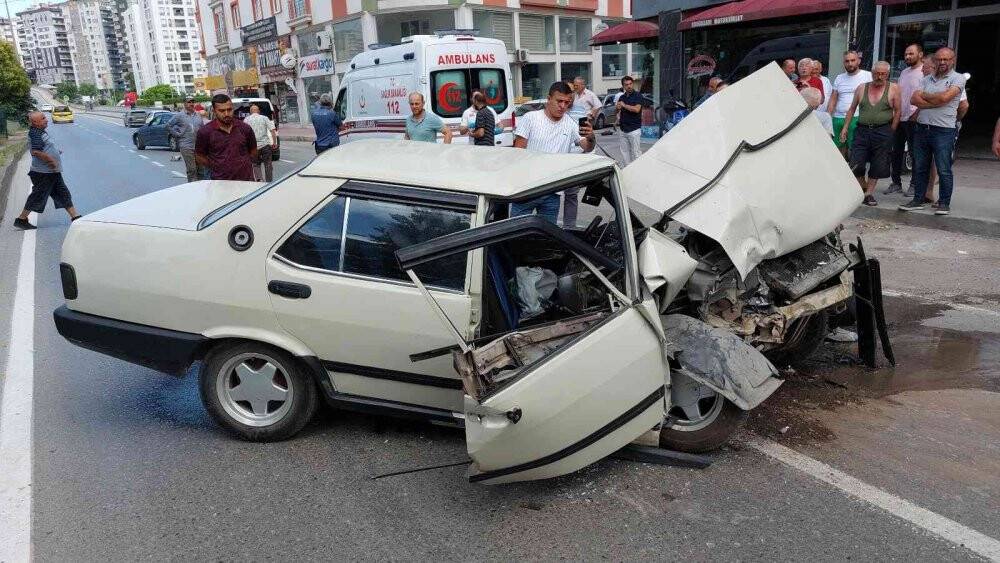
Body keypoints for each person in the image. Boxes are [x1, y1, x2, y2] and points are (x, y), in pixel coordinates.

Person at [512, 81, 595, 224]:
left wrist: (591, 136)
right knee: (516, 235)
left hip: (553, 192)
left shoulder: (569, 123)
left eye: (567, 102)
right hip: (527, 191)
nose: (563, 106)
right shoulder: (531, 118)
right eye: (559, 101)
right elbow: (518, 153)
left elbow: (587, 147)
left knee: (547, 240)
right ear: (549, 99)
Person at [899, 47, 965, 216]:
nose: (942, 62)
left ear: (953, 60)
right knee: (920, 167)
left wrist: (927, 97)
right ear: (934, 61)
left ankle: (944, 203)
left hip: (944, 130)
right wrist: (938, 101)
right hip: (922, 128)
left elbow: (945, 98)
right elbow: (915, 99)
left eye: (946, 59)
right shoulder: (926, 79)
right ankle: (918, 199)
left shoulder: (958, 79)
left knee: (943, 168)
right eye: (939, 59)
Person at [840, 61, 900, 206]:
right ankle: (864, 187)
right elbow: (852, 109)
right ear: (872, 73)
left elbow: (898, 111)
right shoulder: (862, 88)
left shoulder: (894, 88)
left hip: (882, 130)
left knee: (878, 164)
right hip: (862, 130)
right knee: (856, 163)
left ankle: (868, 194)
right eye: (877, 73)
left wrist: (891, 130)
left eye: (883, 74)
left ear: (887, 74)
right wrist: (845, 127)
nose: (879, 77)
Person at [13, 112, 82, 230]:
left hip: (51, 172)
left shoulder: (40, 132)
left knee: (62, 193)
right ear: (35, 123)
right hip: (43, 173)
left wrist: (55, 151)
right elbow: (36, 151)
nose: (46, 119)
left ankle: (75, 217)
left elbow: (44, 147)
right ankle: (21, 219)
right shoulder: (35, 133)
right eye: (43, 118)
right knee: (38, 196)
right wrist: (51, 160)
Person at [887, 44, 924, 195]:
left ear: (920, 54)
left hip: (915, 119)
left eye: (911, 53)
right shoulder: (904, 72)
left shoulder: (924, 72)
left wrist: (918, 113)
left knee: (915, 153)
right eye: (906, 54)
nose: (907, 56)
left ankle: (914, 185)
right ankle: (896, 183)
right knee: (896, 152)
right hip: (900, 117)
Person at [194, 94, 258, 181]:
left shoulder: (244, 128)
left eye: (229, 110)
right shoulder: (205, 132)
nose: (226, 114)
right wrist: (216, 166)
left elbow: (253, 151)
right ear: (214, 111)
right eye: (222, 111)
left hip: (246, 181)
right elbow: (199, 156)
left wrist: (244, 164)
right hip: (220, 182)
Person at [828, 50, 873, 159]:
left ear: (858, 61)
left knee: (855, 149)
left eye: (853, 60)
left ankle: (854, 174)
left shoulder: (868, 76)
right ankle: (841, 173)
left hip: (857, 117)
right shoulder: (839, 78)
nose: (850, 63)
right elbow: (833, 99)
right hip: (838, 118)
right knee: (838, 149)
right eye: (847, 61)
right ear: (844, 63)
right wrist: (828, 116)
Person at [168, 97, 207, 182]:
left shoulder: (198, 115)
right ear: (184, 104)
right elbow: (169, 125)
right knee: (192, 169)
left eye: (193, 102)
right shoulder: (179, 115)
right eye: (189, 102)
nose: (191, 104)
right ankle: (192, 189)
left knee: (201, 170)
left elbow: (203, 129)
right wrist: (177, 134)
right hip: (186, 146)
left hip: (198, 146)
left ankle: (201, 188)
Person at [244, 104, 277, 182]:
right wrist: (274, 143)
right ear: (258, 111)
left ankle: (259, 180)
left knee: (255, 164)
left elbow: (244, 134)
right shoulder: (264, 118)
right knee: (268, 164)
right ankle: (269, 182)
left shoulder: (246, 120)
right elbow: (272, 130)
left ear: (250, 112)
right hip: (265, 145)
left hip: (253, 147)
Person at [616, 75, 644, 166]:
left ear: (633, 84)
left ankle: (638, 171)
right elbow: (616, 112)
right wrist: (617, 108)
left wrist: (624, 105)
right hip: (623, 129)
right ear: (623, 86)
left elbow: (637, 109)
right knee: (625, 153)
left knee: (636, 153)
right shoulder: (622, 98)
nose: (629, 86)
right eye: (626, 84)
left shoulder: (638, 96)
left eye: (630, 84)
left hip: (634, 129)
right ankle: (627, 171)